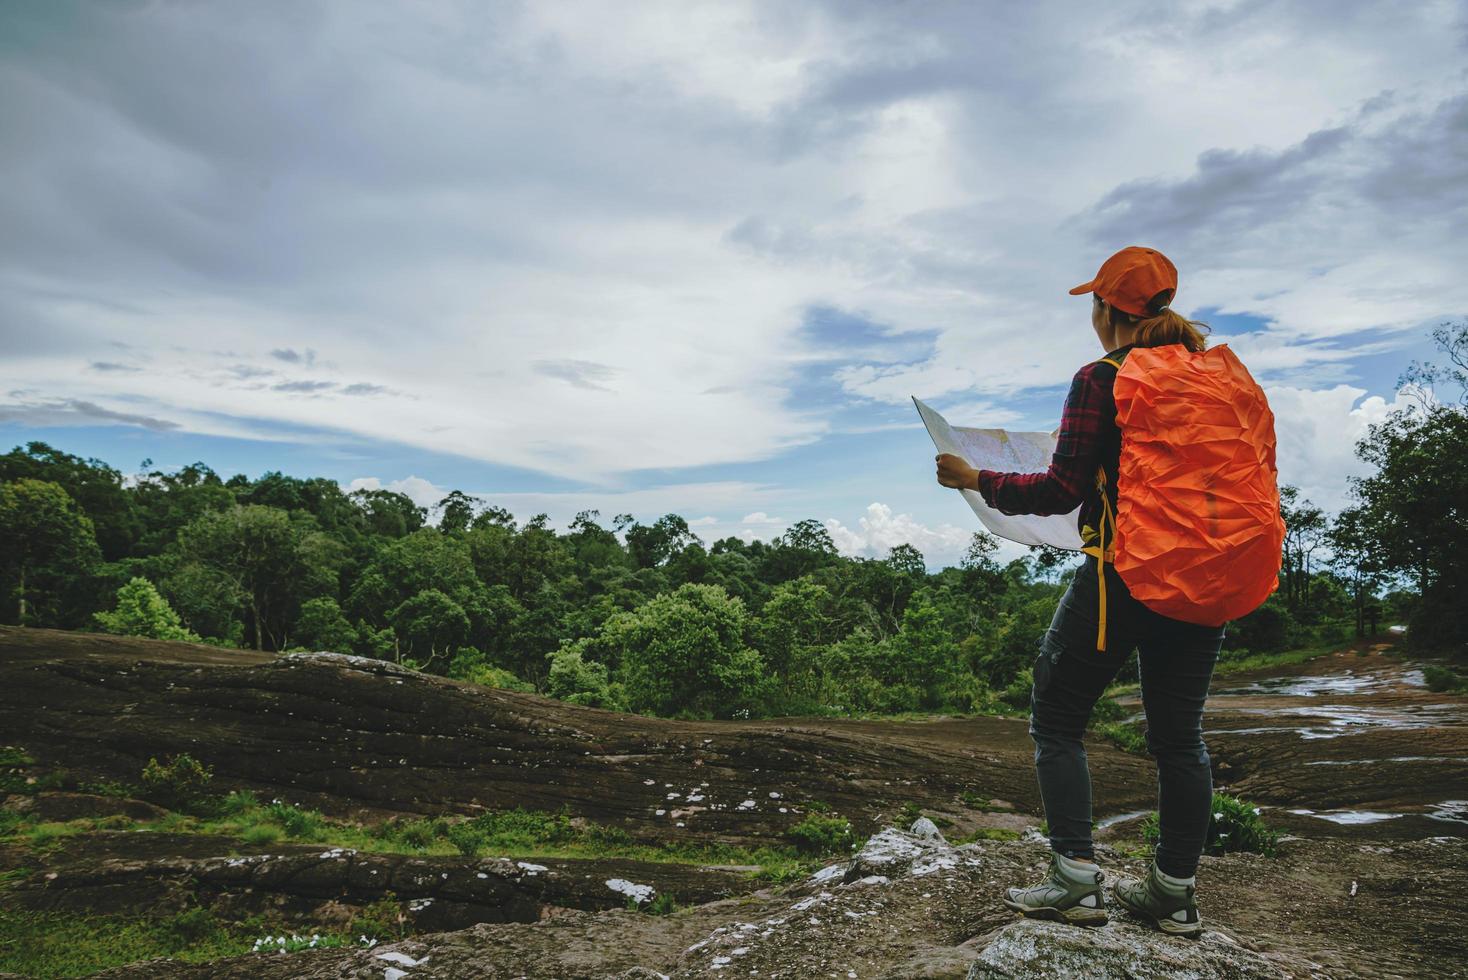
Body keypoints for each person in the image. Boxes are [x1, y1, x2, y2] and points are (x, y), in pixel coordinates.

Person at [934, 246, 1223, 937]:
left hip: (1125, 574)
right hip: (1205, 579)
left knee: (1057, 721)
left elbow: (1063, 488)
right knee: (1180, 739)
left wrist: (978, 480)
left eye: (1093, 303)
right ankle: (1174, 895)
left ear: (1105, 310)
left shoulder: (1103, 379)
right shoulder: (1212, 377)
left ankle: (1075, 882)